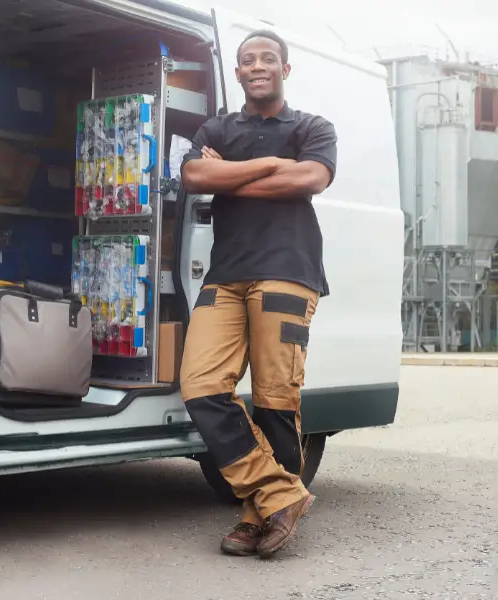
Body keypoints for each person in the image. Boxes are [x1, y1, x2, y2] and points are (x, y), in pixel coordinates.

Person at [179, 29, 337, 558]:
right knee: (200, 387)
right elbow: (195, 175)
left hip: (287, 270)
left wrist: (230, 174)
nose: (257, 66)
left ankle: (257, 515)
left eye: (268, 58)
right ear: (239, 72)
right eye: (247, 60)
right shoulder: (218, 125)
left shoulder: (312, 126)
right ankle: (280, 494)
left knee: (275, 397)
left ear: (284, 70)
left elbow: (312, 178)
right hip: (226, 273)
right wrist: (272, 166)